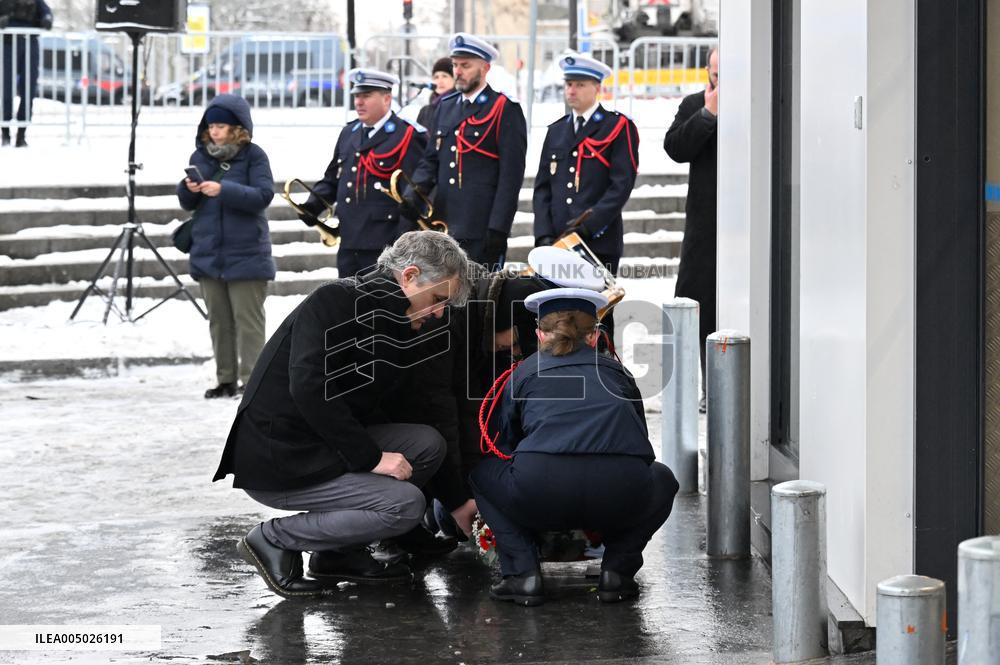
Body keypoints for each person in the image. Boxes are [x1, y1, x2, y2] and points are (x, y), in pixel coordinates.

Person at [213, 232, 472, 598]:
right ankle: (273, 538)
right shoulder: (336, 300)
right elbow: (309, 388)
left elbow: (410, 406)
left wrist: (456, 500)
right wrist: (371, 458)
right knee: (404, 505)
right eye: (437, 299)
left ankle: (338, 552)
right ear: (410, 276)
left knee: (426, 443)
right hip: (282, 456)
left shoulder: (396, 318)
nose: (440, 313)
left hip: (321, 443)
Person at [469, 286, 679, 606]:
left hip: (541, 491)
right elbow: (640, 439)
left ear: (539, 335)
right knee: (664, 480)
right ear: (594, 337)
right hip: (619, 492)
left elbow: (505, 443)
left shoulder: (523, 373)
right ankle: (617, 572)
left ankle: (523, 574)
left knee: (482, 474)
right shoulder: (618, 373)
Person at [177, 94, 275, 399]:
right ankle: (226, 379)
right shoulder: (200, 157)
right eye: (211, 126)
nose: (215, 131)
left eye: (221, 126)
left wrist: (224, 189)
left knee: (248, 322)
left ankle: (253, 382)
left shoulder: (255, 156)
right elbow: (187, 203)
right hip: (209, 252)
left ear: (237, 128)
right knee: (219, 321)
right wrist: (188, 189)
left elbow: (263, 196)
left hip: (247, 253)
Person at [403, 33, 527, 269]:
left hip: (481, 226)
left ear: (485, 67)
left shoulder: (503, 108)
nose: (458, 71)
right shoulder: (446, 106)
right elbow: (430, 160)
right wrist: (413, 194)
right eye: (455, 65)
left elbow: (511, 177)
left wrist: (498, 227)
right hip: (443, 225)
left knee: (477, 291)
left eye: (465, 65)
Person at [297, 68, 427, 278]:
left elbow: (413, 195)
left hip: (385, 242)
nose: (358, 102)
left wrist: (401, 246)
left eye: (366, 96)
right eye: (356, 96)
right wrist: (313, 205)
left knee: (382, 299)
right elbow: (333, 178)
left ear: (386, 98)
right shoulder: (349, 132)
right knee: (348, 297)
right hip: (349, 239)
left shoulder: (407, 134)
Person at [532, 53, 638, 285]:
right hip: (557, 243)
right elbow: (542, 189)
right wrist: (543, 235)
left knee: (595, 305)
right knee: (555, 307)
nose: (571, 91)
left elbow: (621, 185)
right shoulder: (556, 130)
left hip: (598, 242)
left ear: (597, 88)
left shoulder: (617, 126)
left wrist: (588, 227)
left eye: (580, 85)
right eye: (569, 84)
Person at [663, 47, 718, 412]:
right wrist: (707, 115)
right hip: (706, 222)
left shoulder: (756, 101)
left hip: (749, 221)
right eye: (715, 73)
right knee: (701, 300)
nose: (720, 80)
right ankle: (709, 385)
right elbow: (675, 147)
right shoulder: (695, 104)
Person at [0, 0, 53, 147]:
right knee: (6, 90)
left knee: (28, 90)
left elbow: (46, 12)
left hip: (29, 43)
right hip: (8, 44)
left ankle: (21, 134)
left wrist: (47, 19)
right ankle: (5, 132)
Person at [415, 56, 455, 130]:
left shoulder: (460, 107)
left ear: (454, 79)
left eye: (445, 76)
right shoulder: (425, 111)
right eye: (436, 77)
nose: (440, 81)